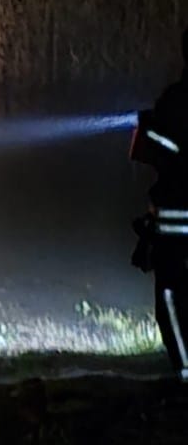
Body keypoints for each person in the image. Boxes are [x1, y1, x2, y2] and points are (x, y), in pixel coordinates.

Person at [132, 28, 188, 378]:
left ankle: (185, 371)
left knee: (171, 296)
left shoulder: (175, 99)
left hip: (175, 220)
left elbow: (167, 151)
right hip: (172, 216)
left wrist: (148, 129)